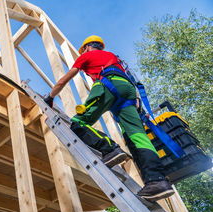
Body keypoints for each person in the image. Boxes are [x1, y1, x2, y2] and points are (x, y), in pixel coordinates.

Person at [44, 35, 174, 201]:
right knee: (138, 136)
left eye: (83, 50)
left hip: (109, 85)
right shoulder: (113, 57)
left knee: (77, 123)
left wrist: (50, 97)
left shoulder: (86, 56)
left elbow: (64, 80)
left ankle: (110, 149)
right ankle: (157, 181)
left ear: (87, 47)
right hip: (129, 93)